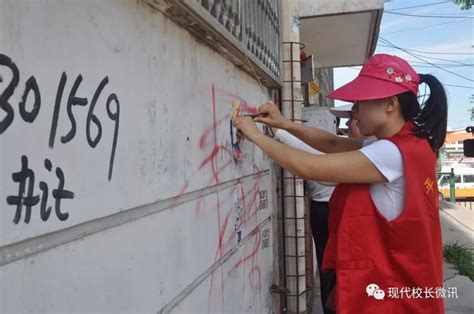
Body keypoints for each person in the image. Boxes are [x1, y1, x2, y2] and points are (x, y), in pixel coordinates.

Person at [234, 54, 447, 313]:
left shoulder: (391, 154)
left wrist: (255, 135)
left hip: (390, 297)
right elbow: (332, 144)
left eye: (360, 102)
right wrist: (283, 124)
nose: (355, 113)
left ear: (391, 103)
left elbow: (309, 166)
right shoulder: (410, 145)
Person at [273, 105, 369, 314]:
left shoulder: (378, 154)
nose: (347, 124)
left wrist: (273, 133)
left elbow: (314, 165)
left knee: (336, 275)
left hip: (334, 218)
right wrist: (282, 126)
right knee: (332, 273)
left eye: (352, 116)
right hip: (329, 215)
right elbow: (329, 144)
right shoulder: (365, 149)